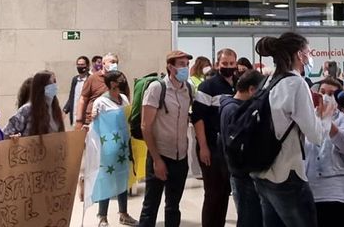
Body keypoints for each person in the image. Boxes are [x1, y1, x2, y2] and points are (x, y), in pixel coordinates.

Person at [250, 33, 333, 227]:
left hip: (262, 170)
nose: (310, 56)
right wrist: (325, 116)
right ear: (299, 55)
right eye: (308, 52)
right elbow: (316, 135)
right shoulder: (296, 83)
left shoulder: (269, 81)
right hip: (287, 173)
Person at [138, 51, 194, 227]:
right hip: (160, 155)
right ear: (170, 67)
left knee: (173, 206)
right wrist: (156, 160)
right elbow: (145, 126)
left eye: (187, 64)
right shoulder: (157, 88)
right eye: (181, 64)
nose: (185, 68)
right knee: (150, 206)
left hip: (180, 157)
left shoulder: (189, 89)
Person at [307, 79, 344, 227]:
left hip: (340, 194)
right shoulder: (308, 119)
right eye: (323, 92)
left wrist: (329, 122)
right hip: (311, 194)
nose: (326, 97)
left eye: (331, 94)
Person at [192, 48, 237, 227]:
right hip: (211, 146)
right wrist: (203, 147)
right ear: (218, 64)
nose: (228, 66)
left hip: (230, 147)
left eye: (231, 63)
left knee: (225, 192)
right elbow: (198, 118)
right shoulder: (208, 86)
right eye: (225, 63)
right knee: (213, 193)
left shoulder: (238, 84)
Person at [92, 71, 138, 227]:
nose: (123, 81)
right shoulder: (100, 102)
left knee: (122, 178)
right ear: (112, 83)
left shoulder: (123, 98)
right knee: (106, 178)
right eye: (120, 79)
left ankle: (123, 214)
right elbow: (96, 125)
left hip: (123, 146)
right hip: (108, 148)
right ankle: (102, 216)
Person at [219, 70, 263, 227]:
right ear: (251, 89)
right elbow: (236, 144)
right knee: (248, 219)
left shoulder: (232, 107)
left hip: (241, 173)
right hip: (242, 174)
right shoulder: (234, 110)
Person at [5, 71, 64, 136]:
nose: (54, 85)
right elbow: (6, 133)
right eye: (50, 83)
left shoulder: (55, 110)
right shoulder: (27, 110)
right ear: (42, 87)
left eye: (55, 82)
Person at [77, 54, 119, 129]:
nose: (114, 65)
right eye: (112, 62)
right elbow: (83, 99)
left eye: (116, 63)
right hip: (94, 121)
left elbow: (125, 97)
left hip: (112, 122)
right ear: (103, 63)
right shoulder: (93, 78)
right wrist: (79, 120)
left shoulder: (119, 79)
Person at [64, 56, 91, 126]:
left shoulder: (91, 79)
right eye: (78, 65)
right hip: (75, 114)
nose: (80, 67)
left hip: (86, 116)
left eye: (82, 65)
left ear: (87, 66)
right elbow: (71, 97)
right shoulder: (75, 79)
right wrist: (65, 110)